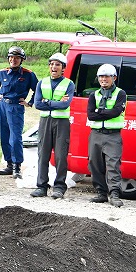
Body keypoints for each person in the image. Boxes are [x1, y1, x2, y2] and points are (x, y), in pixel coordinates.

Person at [31, 52, 76, 200]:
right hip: (45, 123)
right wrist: (54, 102)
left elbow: (65, 105)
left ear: (63, 68)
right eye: (51, 64)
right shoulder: (41, 83)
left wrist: (47, 102)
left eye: (57, 64)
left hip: (62, 123)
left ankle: (59, 187)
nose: (54, 67)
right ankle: (41, 186)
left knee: (60, 156)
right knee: (42, 155)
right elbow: (37, 104)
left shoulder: (69, 84)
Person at [0, 47, 38, 179]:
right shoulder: (2, 73)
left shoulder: (28, 74)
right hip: (2, 106)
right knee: (4, 135)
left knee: (16, 138)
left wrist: (30, 102)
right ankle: (9, 164)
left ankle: (17, 166)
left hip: (16, 107)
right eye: (11, 57)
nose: (13, 60)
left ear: (22, 60)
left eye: (17, 58)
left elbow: (37, 90)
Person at [86, 63, 126, 207]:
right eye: (101, 76)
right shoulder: (94, 95)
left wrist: (99, 112)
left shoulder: (120, 93)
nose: (103, 79)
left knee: (113, 164)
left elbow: (116, 111)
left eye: (107, 76)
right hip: (95, 134)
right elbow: (90, 115)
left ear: (114, 78)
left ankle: (114, 194)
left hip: (113, 135)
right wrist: (102, 113)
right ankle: (101, 193)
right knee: (94, 163)